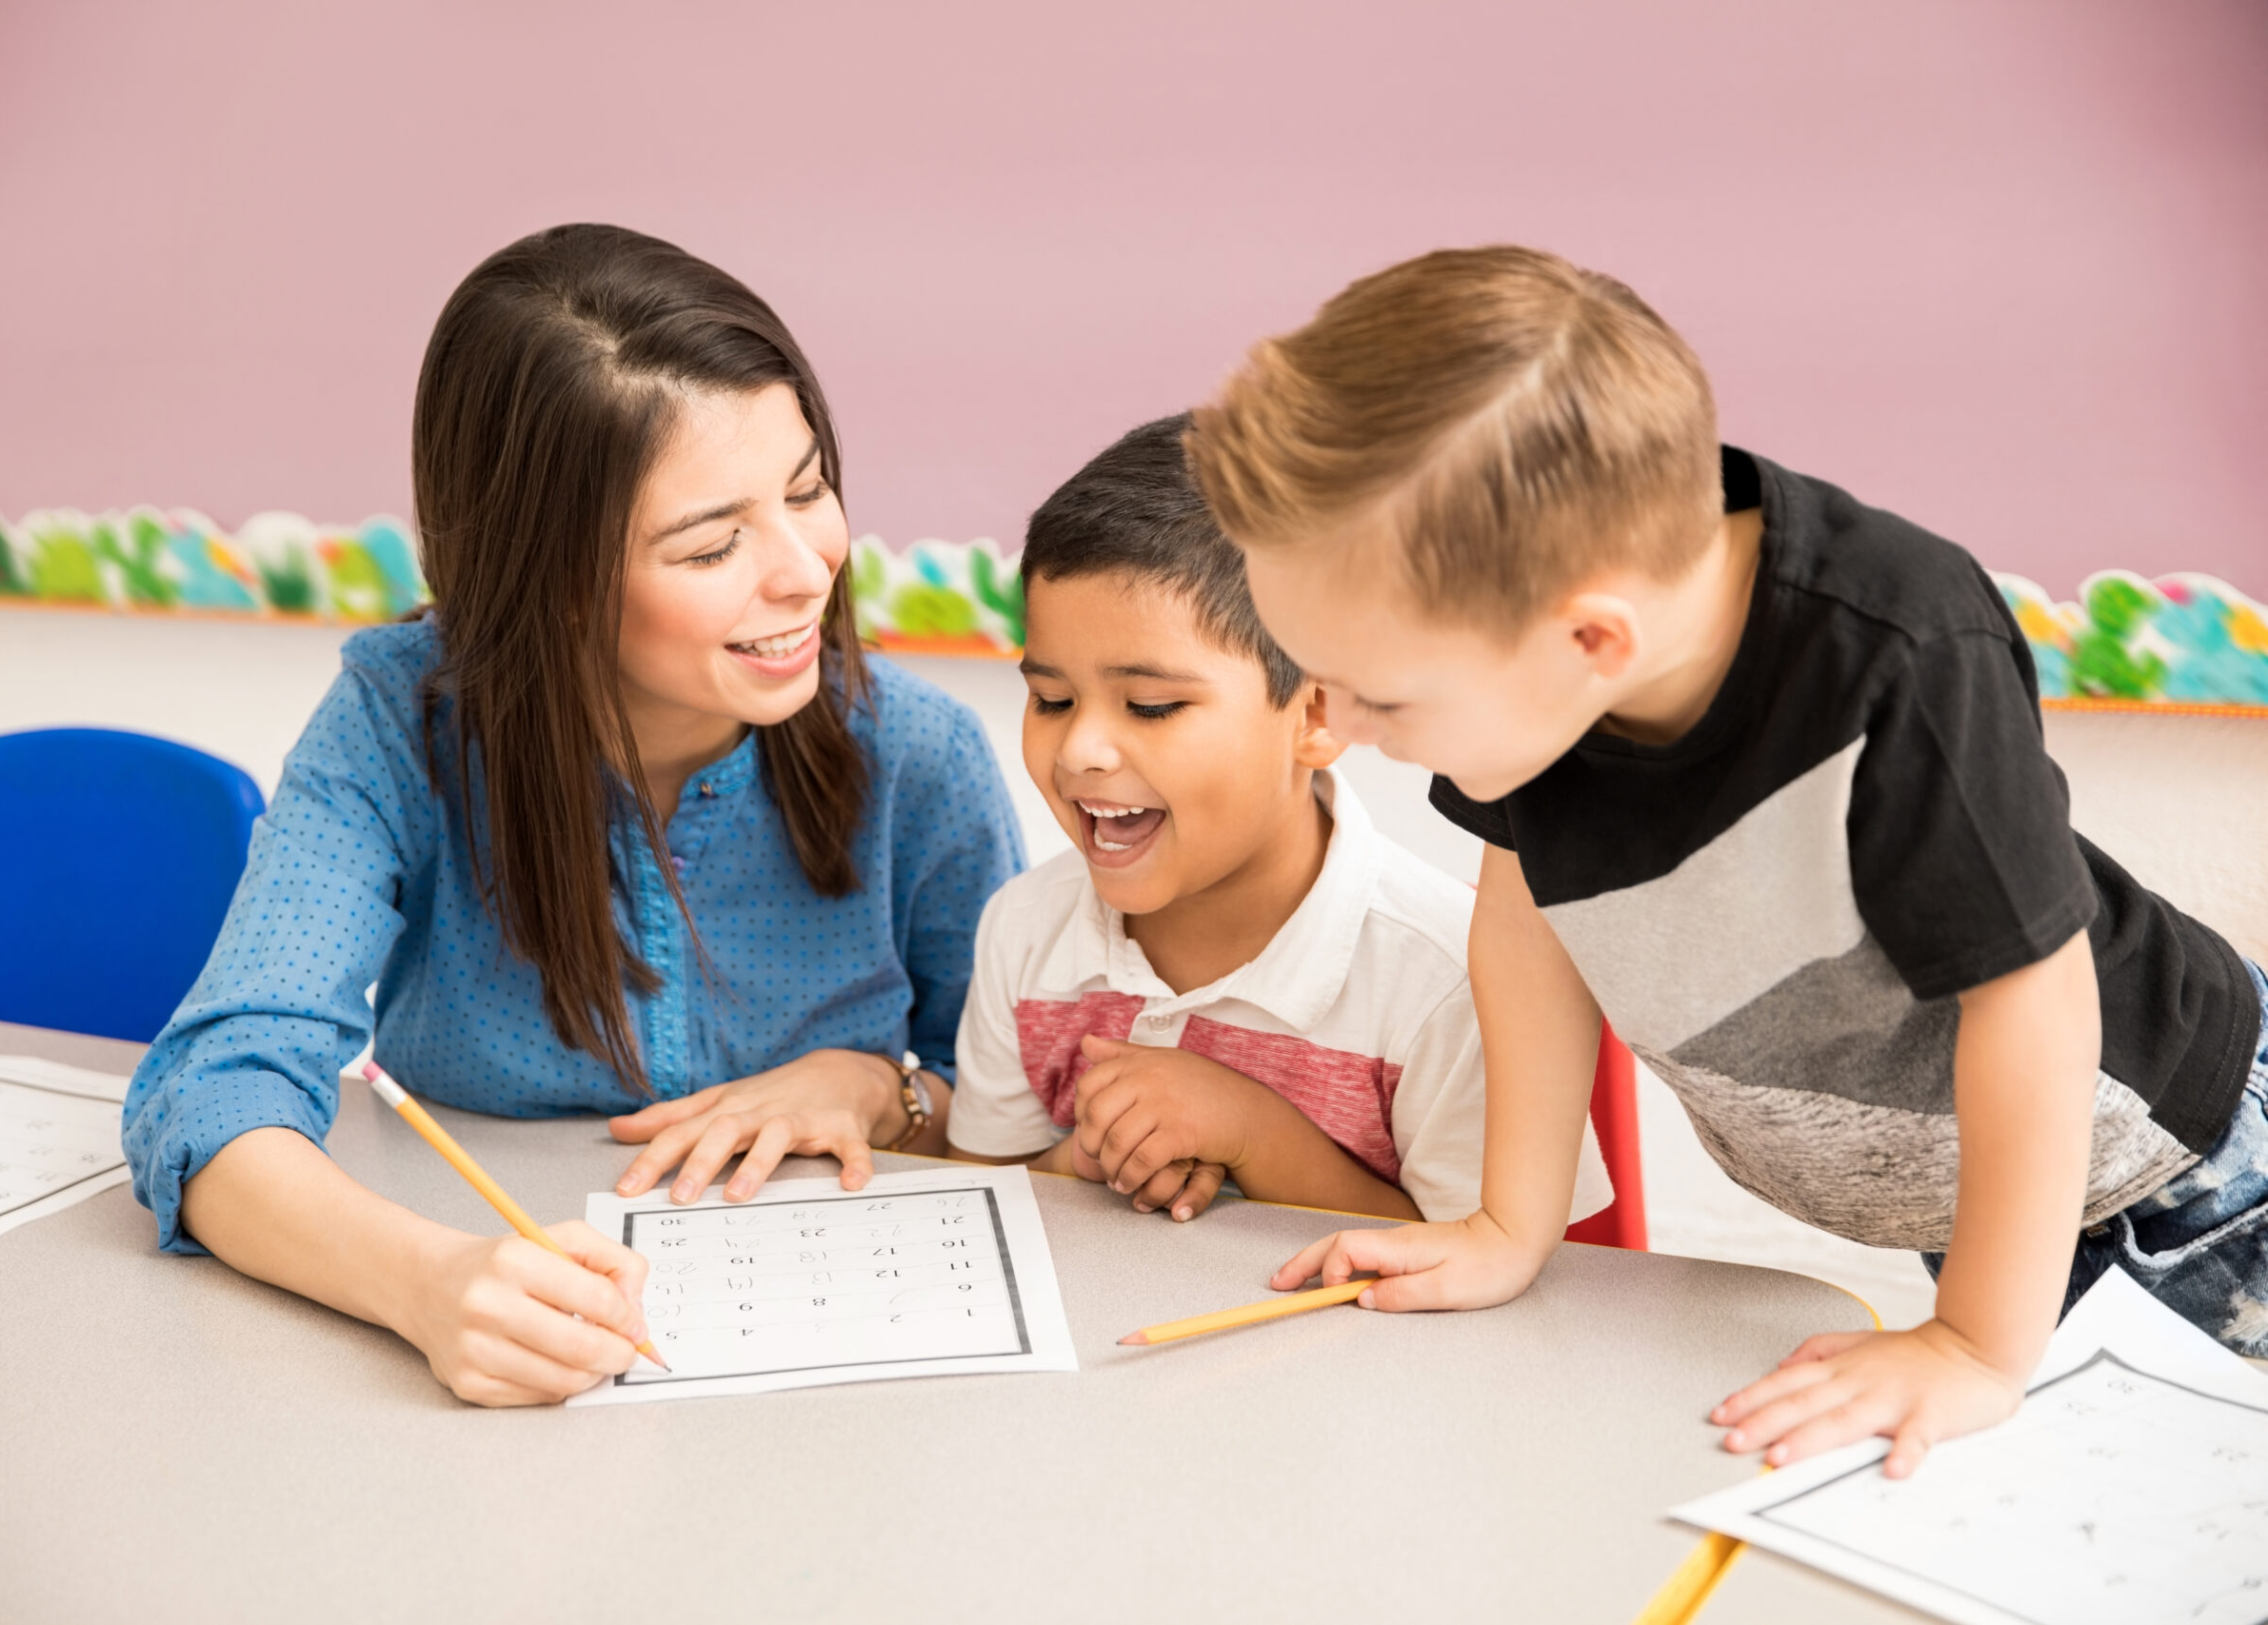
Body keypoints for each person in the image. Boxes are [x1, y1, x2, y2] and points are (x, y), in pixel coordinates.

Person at [1188, 246, 2267, 1476]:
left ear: (1595, 636)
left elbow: (2034, 999)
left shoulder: (1898, 650)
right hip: (1987, 1201)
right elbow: (1531, 916)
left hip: (2186, 1170)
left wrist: (1972, 1338)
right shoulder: (1537, 679)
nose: (1337, 728)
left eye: (1375, 697)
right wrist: (1506, 1225)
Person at [122, 225, 1024, 1407]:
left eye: (808, 489)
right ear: (540, 573)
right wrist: (427, 1285)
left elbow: (1026, 1115)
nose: (807, 568)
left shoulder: (919, 751)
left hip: (853, 1379)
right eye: (712, 545)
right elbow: (211, 1091)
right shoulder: (400, 723)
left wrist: (879, 1090)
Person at [945, 415, 1612, 1227]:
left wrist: (1257, 1137)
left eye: (1151, 707)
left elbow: (1497, 1270)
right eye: (1051, 698)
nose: (1079, 748)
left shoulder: (1446, 981)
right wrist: (1084, 1158)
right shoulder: (1024, 930)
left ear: (1318, 711)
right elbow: (978, 1200)